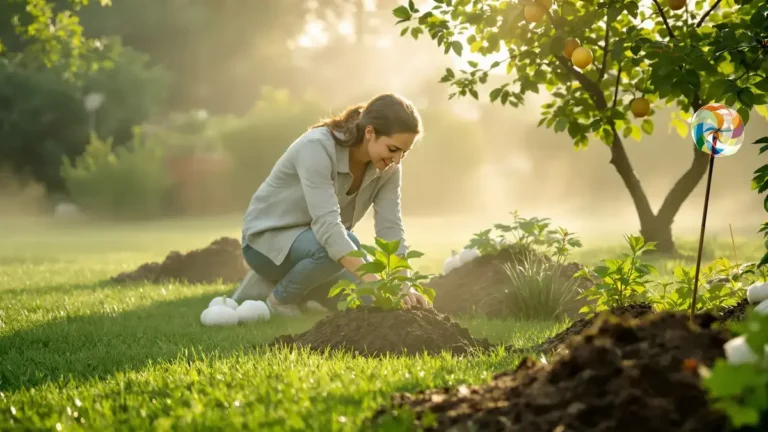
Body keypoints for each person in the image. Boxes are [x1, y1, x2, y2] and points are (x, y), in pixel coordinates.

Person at [231, 93, 432, 316]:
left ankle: (296, 288)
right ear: (370, 132)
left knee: (369, 302)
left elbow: (390, 226)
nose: (397, 159)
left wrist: (402, 284)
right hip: (265, 244)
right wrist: (376, 282)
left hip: (320, 248)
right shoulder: (316, 147)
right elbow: (328, 227)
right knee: (344, 249)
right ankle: (279, 299)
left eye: (404, 152)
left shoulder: (389, 167)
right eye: (393, 149)